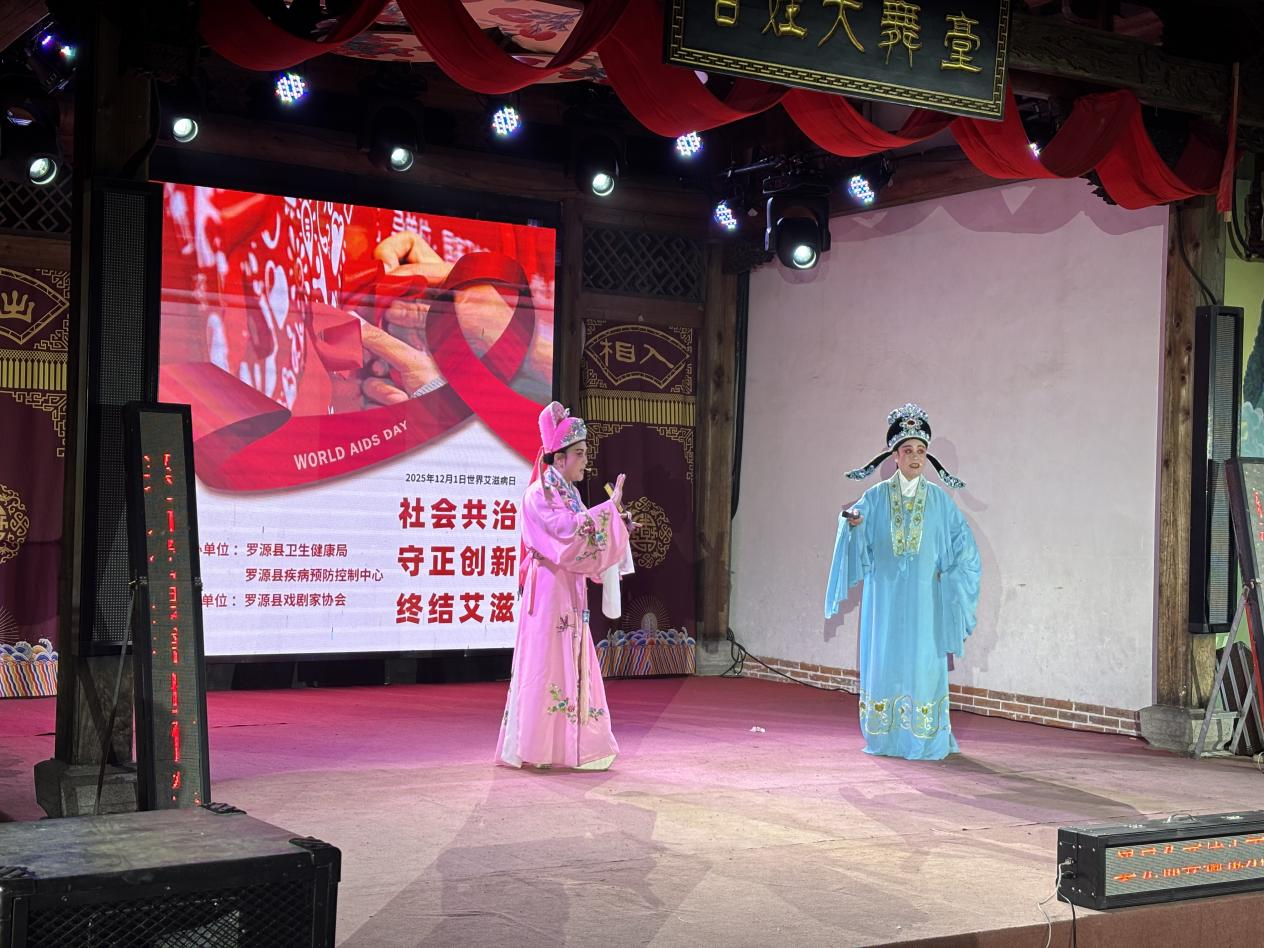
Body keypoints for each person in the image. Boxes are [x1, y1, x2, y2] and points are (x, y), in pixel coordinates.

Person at [824, 404, 981, 760]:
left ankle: (923, 738)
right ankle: (886, 737)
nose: (915, 457)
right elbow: (856, 530)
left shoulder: (939, 501)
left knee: (923, 663)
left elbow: (964, 548)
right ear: (894, 456)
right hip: (885, 598)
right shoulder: (875, 497)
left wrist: (951, 578)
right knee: (885, 658)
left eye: (921, 451)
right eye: (907, 450)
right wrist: (851, 526)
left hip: (926, 601)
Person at [496, 402, 634, 771]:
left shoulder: (569, 495)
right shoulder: (538, 495)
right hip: (548, 589)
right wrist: (608, 512)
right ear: (559, 459)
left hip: (569, 589)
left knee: (571, 662)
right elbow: (567, 534)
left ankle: (574, 748)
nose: (586, 461)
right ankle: (539, 748)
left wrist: (618, 525)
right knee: (546, 665)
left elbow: (584, 540)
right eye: (580, 453)